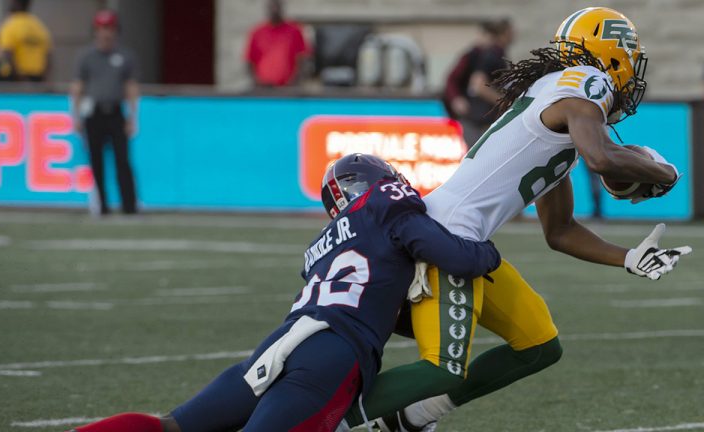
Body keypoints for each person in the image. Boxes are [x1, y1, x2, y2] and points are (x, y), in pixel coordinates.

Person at [340, 7, 692, 431]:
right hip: (446, 238)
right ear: (609, 57)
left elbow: (559, 231)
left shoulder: (558, 114)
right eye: (628, 60)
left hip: (463, 238)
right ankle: (322, 421)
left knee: (539, 343)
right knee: (442, 368)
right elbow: (603, 157)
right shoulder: (587, 80)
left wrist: (629, 257)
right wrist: (665, 172)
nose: (630, 76)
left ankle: (412, 417)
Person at [66, 154, 501, 432]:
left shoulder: (322, 245)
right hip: (334, 353)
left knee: (173, 426)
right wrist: (486, 254)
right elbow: (453, 257)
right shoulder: (388, 206)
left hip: (281, 343)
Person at [70, 10, 140, 216]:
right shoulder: (86, 56)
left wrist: (133, 117)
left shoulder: (125, 56)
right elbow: (77, 87)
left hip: (116, 113)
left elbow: (131, 87)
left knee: (122, 161)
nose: (105, 34)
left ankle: (130, 206)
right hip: (94, 114)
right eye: (101, 29)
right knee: (96, 162)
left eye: (109, 29)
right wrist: (75, 116)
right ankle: (101, 206)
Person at [442, 19, 514, 147]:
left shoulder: (491, 54)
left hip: (479, 117)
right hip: (478, 119)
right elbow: (476, 85)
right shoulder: (485, 55)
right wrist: (506, 102)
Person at [245, 0, 311, 87]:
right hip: (263, 89)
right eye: (272, 7)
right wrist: (257, 83)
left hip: (288, 89)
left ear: (282, 8)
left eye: (277, 7)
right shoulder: (257, 32)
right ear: (267, 9)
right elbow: (249, 61)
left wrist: (295, 83)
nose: (275, 10)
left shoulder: (294, 31)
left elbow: (303, 58)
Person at [0, 0, 51, 82]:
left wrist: (19, 78)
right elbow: (48, 56)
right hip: (37, 78)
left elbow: (7, 53)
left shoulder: (10, 25)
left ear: (15, 3)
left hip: (14, 78)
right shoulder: (39, 26)